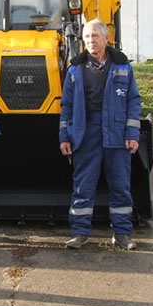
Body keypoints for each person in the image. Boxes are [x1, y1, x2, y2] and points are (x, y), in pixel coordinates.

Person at [59, 20, 141, 250]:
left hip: (116, 132)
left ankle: (123, 234)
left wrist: (132, 133)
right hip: (86, 133)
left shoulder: (123, 66)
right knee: (83, 184)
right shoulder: (75, 70)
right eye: (86, 37)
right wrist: (64, 136)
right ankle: (79, 232)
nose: (90, 41)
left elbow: (133, 101)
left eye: (95, 36)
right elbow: (66, 105)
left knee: (120, 185)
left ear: (106, 38)